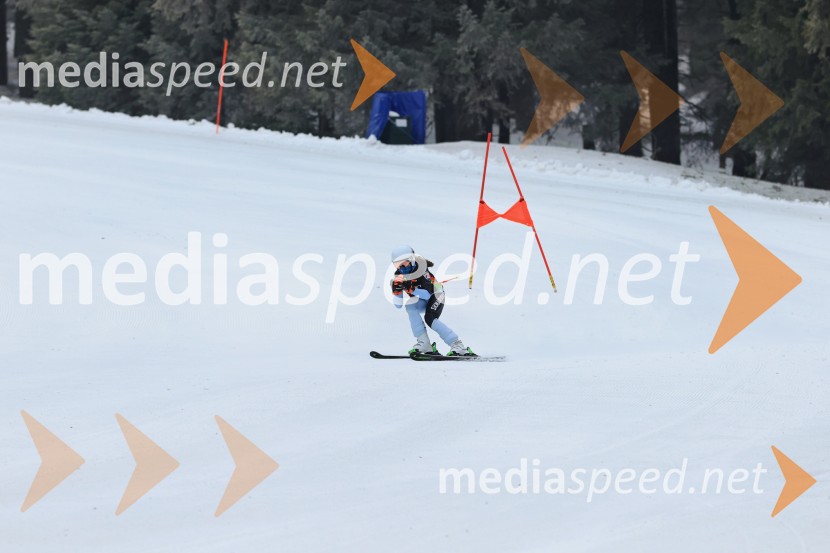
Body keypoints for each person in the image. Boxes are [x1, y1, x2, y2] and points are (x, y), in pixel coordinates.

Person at [389, 245, 475, 356]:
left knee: (430, 318)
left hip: (437, 295)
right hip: (423, 298)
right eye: (397, 264)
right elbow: (398, 306)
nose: (401, 267)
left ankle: (458, 345)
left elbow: (427, 295)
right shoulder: (399, 275)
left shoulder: (421, 270)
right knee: (410, 305)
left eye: (403, 263)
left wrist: (411, 289)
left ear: (411, 260)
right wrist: (396, 292)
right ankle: (424, 343)